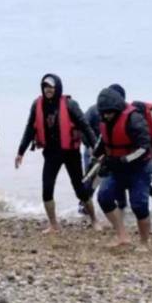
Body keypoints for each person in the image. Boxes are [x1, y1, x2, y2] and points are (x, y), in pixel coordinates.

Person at [15, 74, 99, 232]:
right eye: (45, 86)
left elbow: (85, 126)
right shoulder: (37, 105)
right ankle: (53, 224)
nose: (48, 89)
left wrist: (95, 147)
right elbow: (29, 129)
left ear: (58, 87)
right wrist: (21, 151)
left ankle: (94, 219)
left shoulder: (70, 105)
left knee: (80, 191)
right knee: (47, 189)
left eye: (51, 86)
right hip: (51, 153)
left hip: (70, 153)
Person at [95, 87, 152, 248]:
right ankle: (122, 235)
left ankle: (144, 242)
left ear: (118, 109)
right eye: (103, 113)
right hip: (116, 167)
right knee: (104, 196)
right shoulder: (104, 120)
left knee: (139, 205)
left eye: (109, 113)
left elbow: (144, 147)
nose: (106, 116)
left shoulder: (134, 119)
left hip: (139, 168)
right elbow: (102, 140)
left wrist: (123, 160)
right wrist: (97, 154)